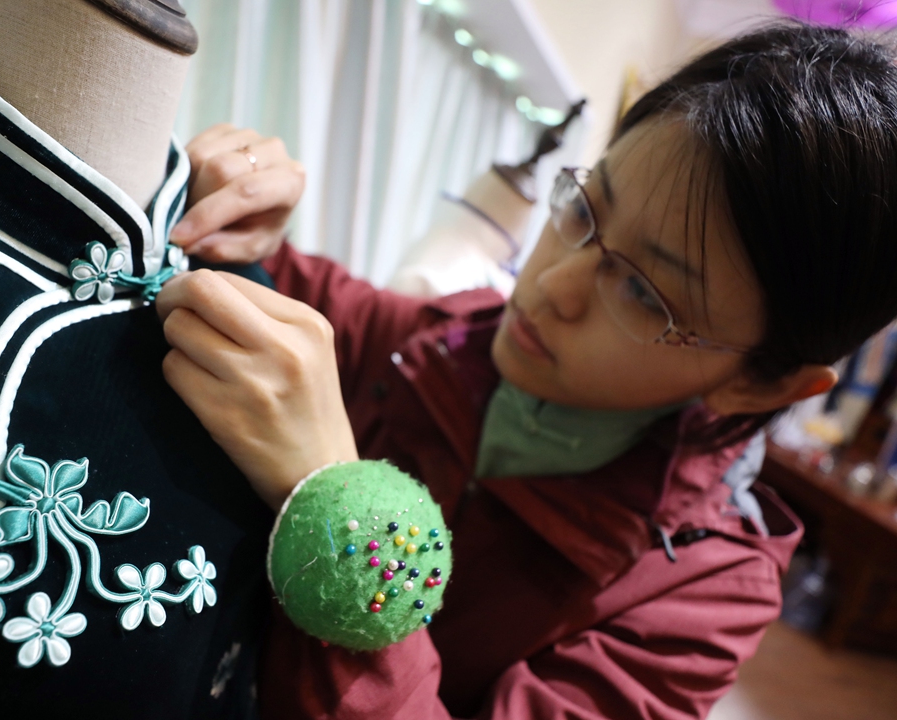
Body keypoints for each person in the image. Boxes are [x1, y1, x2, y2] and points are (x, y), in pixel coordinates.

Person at [157, 23, 897, 719]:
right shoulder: (452, 342)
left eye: (645, 292)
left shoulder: (697, 594)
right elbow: (315, 307)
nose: (550, 287)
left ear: (763, 385)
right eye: (582, 208)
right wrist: (245, 208)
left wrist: (340, 511)